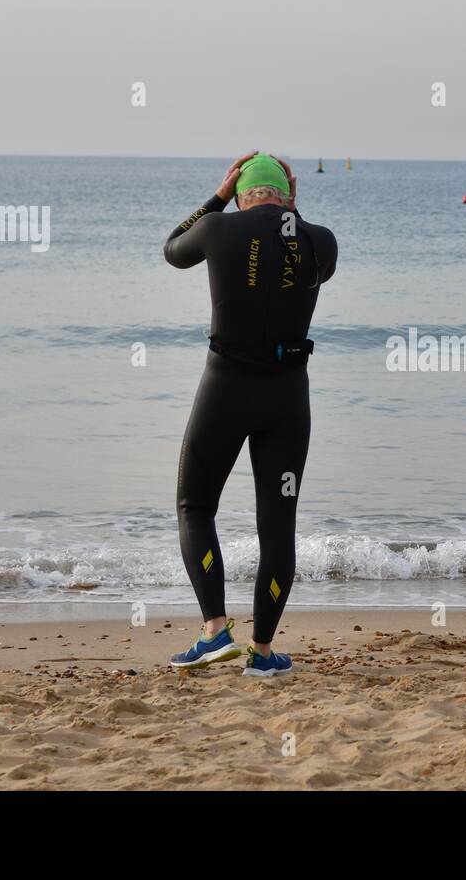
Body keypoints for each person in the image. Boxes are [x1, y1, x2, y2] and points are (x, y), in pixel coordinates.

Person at [162, 152, 337, 676]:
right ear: (288, 194)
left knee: (195, 505)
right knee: (278, 526)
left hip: (226, 390)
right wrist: (292, 205)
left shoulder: (217, 227)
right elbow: (293, 239)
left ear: (241, 193)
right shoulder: (320, 240)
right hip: (287, 399)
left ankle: (216, 630)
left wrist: (217, 197)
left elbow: (173, 249)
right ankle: (262, 654)